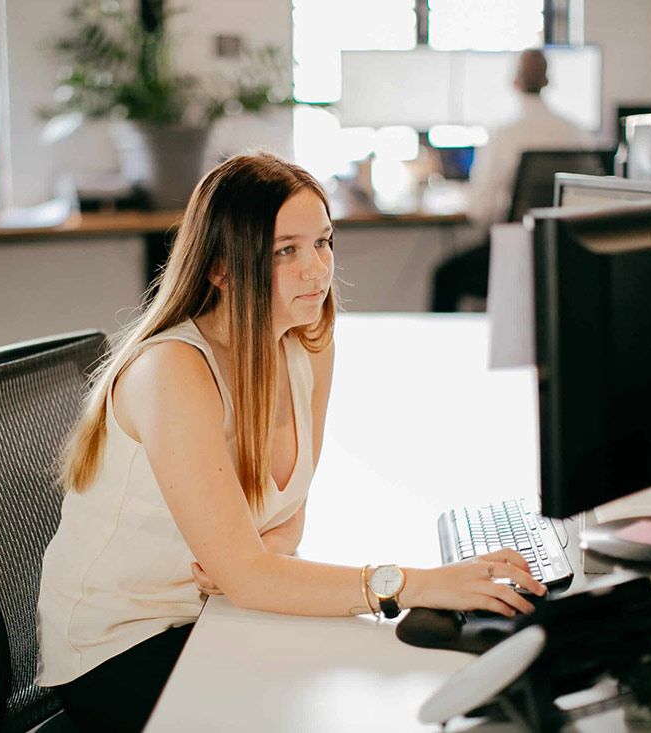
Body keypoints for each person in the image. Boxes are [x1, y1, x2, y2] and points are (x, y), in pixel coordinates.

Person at [36, 153, 547, 732]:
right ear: (220, 269)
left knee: (389, 682)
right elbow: (252, 576)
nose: (317, 269)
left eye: (324, 242)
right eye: (286, 251)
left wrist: (248, 566)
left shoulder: (306, 343)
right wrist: (420, 583)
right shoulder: (172, 371)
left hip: (215, 614)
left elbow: (286, 529)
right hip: (125, 645)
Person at [431, 48, 592, 311]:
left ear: (514, 82)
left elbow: (481, 212)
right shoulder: (577, 132)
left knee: (444, 277)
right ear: (548, 81)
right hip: (564, 257)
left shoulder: (503, 135)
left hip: (512, 255)